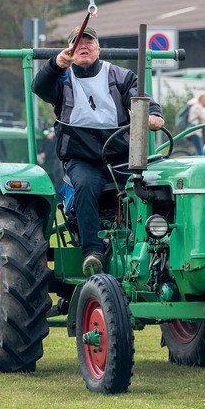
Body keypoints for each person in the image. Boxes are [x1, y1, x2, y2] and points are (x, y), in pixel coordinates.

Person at [32, 25, 164, 276]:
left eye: (89, 42)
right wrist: (55, 65)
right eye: (77, 43)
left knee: (151, 185)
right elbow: (39, 87)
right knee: (85, 184)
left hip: (120, 156)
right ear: (69, 50)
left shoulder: (120, 76)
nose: (83, 46)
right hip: (81, 157)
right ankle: (93, 252)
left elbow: (140, 98)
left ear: (98, 49)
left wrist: (153, 115)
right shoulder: (62, 79)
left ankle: (152, 245)